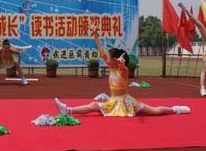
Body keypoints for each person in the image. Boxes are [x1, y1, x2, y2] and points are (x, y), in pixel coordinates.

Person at [54, 24, 190, 117]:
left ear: (115, 60)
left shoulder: (122, 71)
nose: (105, 59)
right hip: (113, 101)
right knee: (94, 105)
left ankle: (175, 109)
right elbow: (101, 52)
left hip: (126, 102)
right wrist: (95, 35)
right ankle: (68, 110)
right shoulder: (111, 67)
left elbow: (124, 69)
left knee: (154, 111)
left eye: (108, 58)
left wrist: (122, 65)